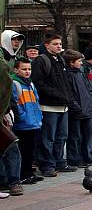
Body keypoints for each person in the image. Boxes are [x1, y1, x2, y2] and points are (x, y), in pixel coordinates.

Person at [31, 34, 74, 177]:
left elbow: (66, 82)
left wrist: (68, 97)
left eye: (60, 43)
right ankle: (47, 165)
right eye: (55, 44)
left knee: (62, 136)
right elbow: (39, 83)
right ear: (47, 45)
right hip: (49, 106)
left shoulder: (60, 60)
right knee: (48, 137)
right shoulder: (41, 60)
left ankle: (59, 162)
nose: (59, 46)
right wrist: (57, 94)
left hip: (63, 106)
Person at [10, 58, 43, 186]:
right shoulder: (15, 83)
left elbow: (36, 101)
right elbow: (15, 104)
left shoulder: (30, 83)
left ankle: (29, 173)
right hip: (23, 124)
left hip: (33, 122)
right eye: (24, 69)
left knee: (30, 150)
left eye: (29, 69)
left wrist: (38, 117)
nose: (27, 72)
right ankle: (23, 174)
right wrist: (22, 117)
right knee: (24, 150)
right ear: (16, 70)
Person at [63, 50, 92, 168]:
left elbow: (87, 90)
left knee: (89, 134)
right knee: (75, 136)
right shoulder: (68, 74)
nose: (81, 63)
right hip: (76, 110)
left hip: (86, 108)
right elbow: (70, 93)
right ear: (71, 63)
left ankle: (87, 156)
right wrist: (75, 107)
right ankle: (74, 158)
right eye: (79, 61)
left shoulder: (80, 73)